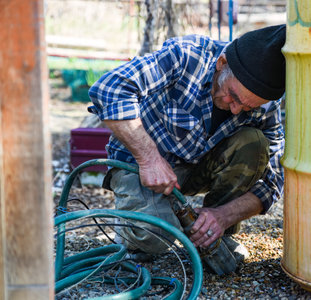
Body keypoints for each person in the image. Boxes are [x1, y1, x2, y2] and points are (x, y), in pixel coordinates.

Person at [88, 25, 286, 263]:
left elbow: (274, 178)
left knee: (254, 143)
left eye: (247, 107)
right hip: (139, 166)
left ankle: (212, 232)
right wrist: (149, 158)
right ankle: (138, 227)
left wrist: (223, 216)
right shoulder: (186, 56)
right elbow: (109, 89)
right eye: (232, 96)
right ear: (221, 64)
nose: (235, 109)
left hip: (197, 167)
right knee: (154, 238)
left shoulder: (265, 104)